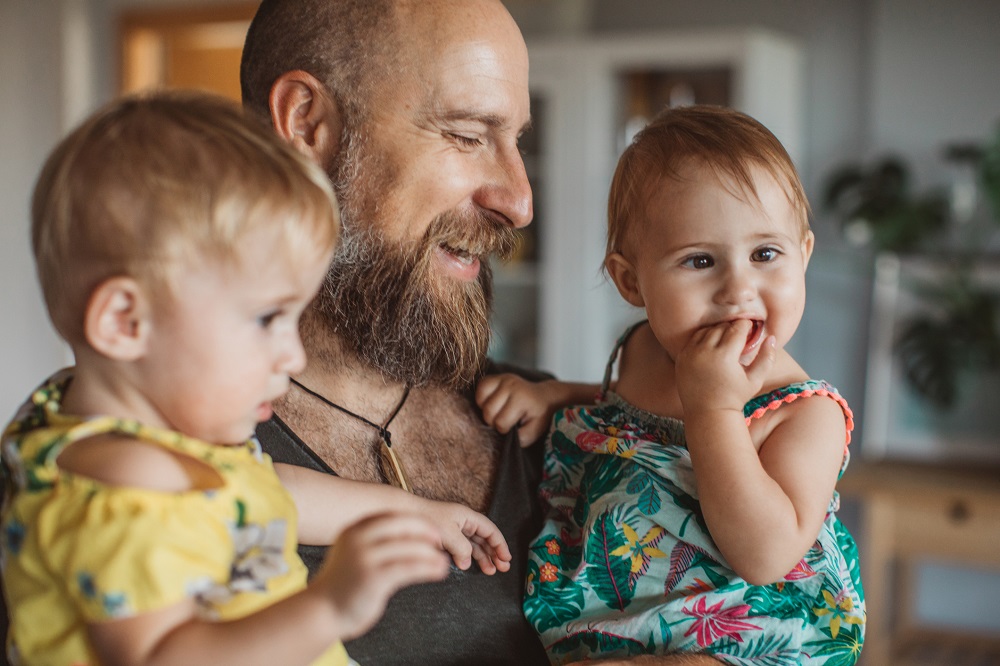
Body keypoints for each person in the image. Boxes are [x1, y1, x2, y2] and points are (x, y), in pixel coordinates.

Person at [240, 2, 725, 665]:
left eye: (518, 141)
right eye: (468, 135)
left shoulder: (557, 424)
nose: (520, 201)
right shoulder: (138, 458)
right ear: (307, 122)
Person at [0, 90, 514, 666]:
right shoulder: (121, 485)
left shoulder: (157, 446)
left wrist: (412, 510)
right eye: (266, 318)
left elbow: (267, 493)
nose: (291, 355)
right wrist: (329, 607)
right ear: (126, 322)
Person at [478, 105, 867, 664]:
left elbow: (765, 556)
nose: (738, 288)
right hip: (624, 618)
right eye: (700, 260)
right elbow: (625, 415)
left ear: (802, 256)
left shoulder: (806, 414)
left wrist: (715, 408)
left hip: (750, 635)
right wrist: (553, 395)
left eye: (765, 253)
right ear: (631, 281)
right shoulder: (643, 348)